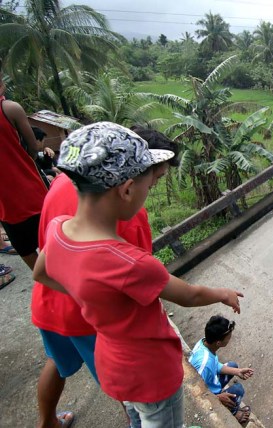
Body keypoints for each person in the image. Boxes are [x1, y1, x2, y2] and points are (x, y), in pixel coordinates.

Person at [32, 122, 245, 428]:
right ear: (128, 189)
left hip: (112, 364)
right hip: (151, 372)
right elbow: (189, 295)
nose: (149, 192)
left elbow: (42, 272)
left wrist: (88, 292)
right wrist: (222, 293)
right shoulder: (129, 262)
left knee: (135, 412)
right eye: (150, 185)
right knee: (162, 421)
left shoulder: (59, 229)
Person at [31, 127, 179, 428]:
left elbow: (45, 253)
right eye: (155, 178)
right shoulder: (128, 218)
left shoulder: (70, 180)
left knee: (56, 364)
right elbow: (139, 285)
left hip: (48, 298)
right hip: (88, 316)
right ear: (132, 178)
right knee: (133, 391)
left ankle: (46, 423)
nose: (153, 186)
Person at [0, 71, 48, 270]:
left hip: (5, 204)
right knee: (53, 244)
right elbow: (33, 148)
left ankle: (49, 290)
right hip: (31, 190)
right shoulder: (9, 108)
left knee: (27, 252)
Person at [189, 315, 254, 425]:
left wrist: (237, 372)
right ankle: (233, 412)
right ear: (218, 342)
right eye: (228, 337)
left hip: (209, 382)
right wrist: (217, 398)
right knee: (238, 390)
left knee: (233, 366)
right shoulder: (204, 365)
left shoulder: (204, 344)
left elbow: (216, 365)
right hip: (208, 392)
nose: (230, 337)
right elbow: (196, 394)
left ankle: (223, 395)